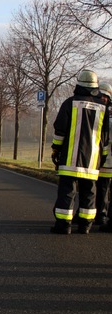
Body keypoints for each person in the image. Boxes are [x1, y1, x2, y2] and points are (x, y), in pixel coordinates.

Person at [50, 69, 110, 234]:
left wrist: (56, 150)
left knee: (67, 192)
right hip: (92, 161)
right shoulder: (103, 108)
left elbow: (59, 131)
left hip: (70, 159)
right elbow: (105, 138)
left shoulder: (69, 103)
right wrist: (102, 157)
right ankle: (85, 226)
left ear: (79, 85)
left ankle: (63, 226)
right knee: (89, 192)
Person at [96, 81, 112, 227]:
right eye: (102, 96)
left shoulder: (109, 114)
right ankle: (97, 215)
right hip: (97, 160)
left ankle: (102, 215)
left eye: (106, 97)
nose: (103, 99)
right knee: (97, 189)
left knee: (103, 189)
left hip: (107, 161)